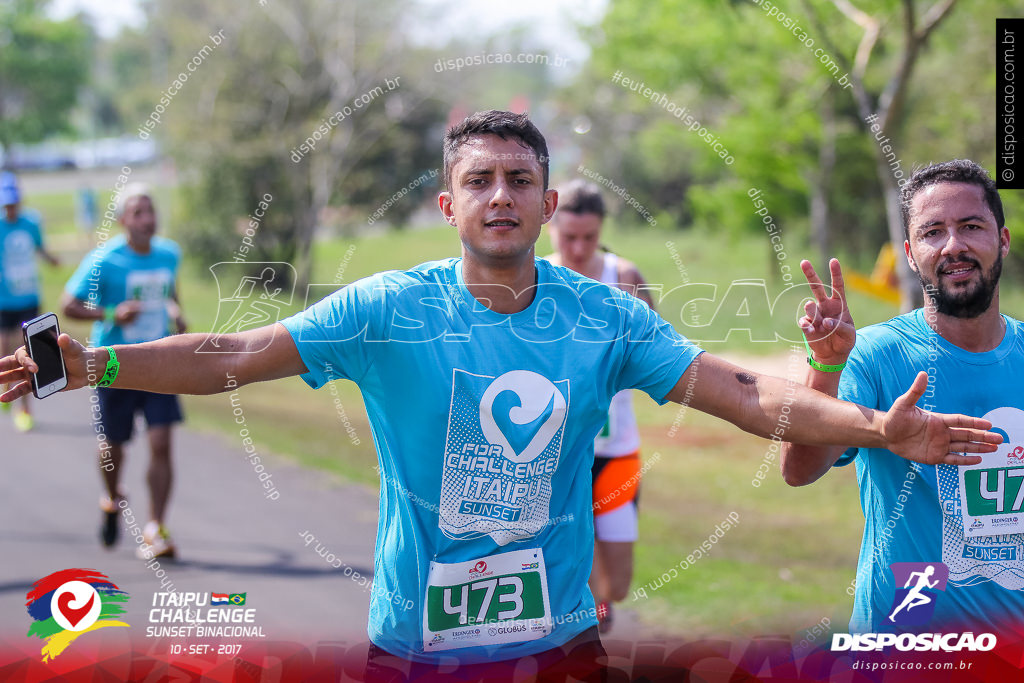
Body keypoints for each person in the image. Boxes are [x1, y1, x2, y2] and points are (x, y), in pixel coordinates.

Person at [0, 114, 998, 678]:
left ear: (548, 201)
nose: (501, 194)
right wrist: (98, 366)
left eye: (520, 177)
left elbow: (743, 394)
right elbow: (235, 350)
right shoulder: (391, 306)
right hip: (414, 642)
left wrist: (871, 425)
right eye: (479, 179)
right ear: (449, 203)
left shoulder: (602, 316)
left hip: (559, 642)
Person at [780, 159, 1024, 637]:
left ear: (1004, 240)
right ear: (911, 254)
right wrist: (827, 365)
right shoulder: (874, 354)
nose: (953, 245)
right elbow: (799, 469)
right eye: (934, 232)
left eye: (971, 226)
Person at [544, 179, 652, 632]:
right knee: (573, 583)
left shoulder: (623, 279)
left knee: (618, 584)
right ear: (551, 226)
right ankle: (578, 630)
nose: (579, 247)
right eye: (569, 237)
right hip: (556, 453)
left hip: (616, 452)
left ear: (601, 230)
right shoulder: (536, 278)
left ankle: (590, 612)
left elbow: (657, 354)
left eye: (589, 237)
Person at [61, 183, 187, 559]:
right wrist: (112, 313)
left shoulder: (169, 254)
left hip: (160, 362)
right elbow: (68, 304)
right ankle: (112, 498)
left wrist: (177, 311)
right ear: (122, 221)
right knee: (113, 448)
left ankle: (155, 528)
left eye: (151, 210)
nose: (148, 218)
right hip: (114, 364)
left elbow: (169, 292)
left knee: (162, 443)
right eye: (138, 212)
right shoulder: (105, 260)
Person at [0, 171, 59, 432]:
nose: (10, 208)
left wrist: (51, 260)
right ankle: (4, 387)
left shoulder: (32, 223)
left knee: (28, 354)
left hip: (29, 298)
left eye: (14, 203)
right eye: (6, 204)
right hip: (4, 299)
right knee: (4, 346)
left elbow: (39, 247)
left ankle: (24, 409)